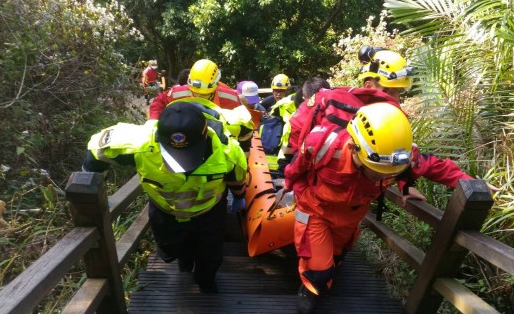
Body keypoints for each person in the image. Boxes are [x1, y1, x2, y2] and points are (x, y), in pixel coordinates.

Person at [283, 102, 474, 313]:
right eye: (376, 173)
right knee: (319, 269)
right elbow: (298, 165)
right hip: (317, 211)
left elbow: (434, 166)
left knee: (337, 258)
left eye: (389, 174)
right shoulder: (323, 143)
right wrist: (289, 185)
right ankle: (309, 290)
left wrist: (469, 183)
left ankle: (326, 276)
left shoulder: (396, 154)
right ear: (352, 149)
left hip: (351, 218)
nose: (383, 178)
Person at [82, 101, 247, 294]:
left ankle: (206, 281)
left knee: (210, 254)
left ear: (206, 136)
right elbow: (97, 151)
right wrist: (92, 188)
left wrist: (239, 196)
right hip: (166, 210)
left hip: (208, 212)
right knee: (172, 250)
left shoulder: (227, 152)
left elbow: (237, 177)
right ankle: (184, 264)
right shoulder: (140, 143)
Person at [148, 59, 243, 119]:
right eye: (195, 93)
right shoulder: (178, 93)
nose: (200, 98)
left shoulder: (230, 98)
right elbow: (158, 101)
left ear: (216, 85)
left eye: (205, 95)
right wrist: (153, 122)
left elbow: (244, 117)